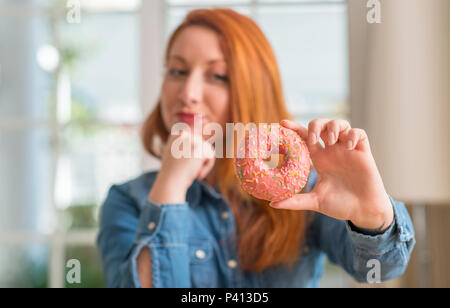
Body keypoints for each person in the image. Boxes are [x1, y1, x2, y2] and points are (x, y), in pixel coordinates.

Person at [96, 8, 415, 288]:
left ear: (254, 90)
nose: (189, 93)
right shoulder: (128, 202)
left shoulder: (307, 193)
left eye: (217, 76)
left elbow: (380, 269)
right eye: (177, 71)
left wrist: (373, 216)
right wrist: (170, 186)